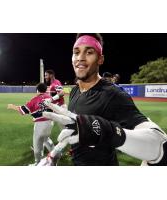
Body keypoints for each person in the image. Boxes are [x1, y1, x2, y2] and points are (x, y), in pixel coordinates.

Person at [38, 33, 167, 166]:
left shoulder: (113, 94)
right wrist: (52, 155)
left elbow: (160, 143)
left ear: (100, 59)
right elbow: (74, 131)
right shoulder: (75, 91)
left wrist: (108, 132)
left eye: (89, 52)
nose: (80, 58)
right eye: (76, 52)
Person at [7, 83, 55, 165]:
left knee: (36, 144)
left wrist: (12, 106)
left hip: (40, 124)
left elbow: (23, 110)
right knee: (46, 139)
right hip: (50, 122)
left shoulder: (35, 99)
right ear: (46, 90)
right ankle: (55, 154)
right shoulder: (49, 97)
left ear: (37, 90)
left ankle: (38, 162)